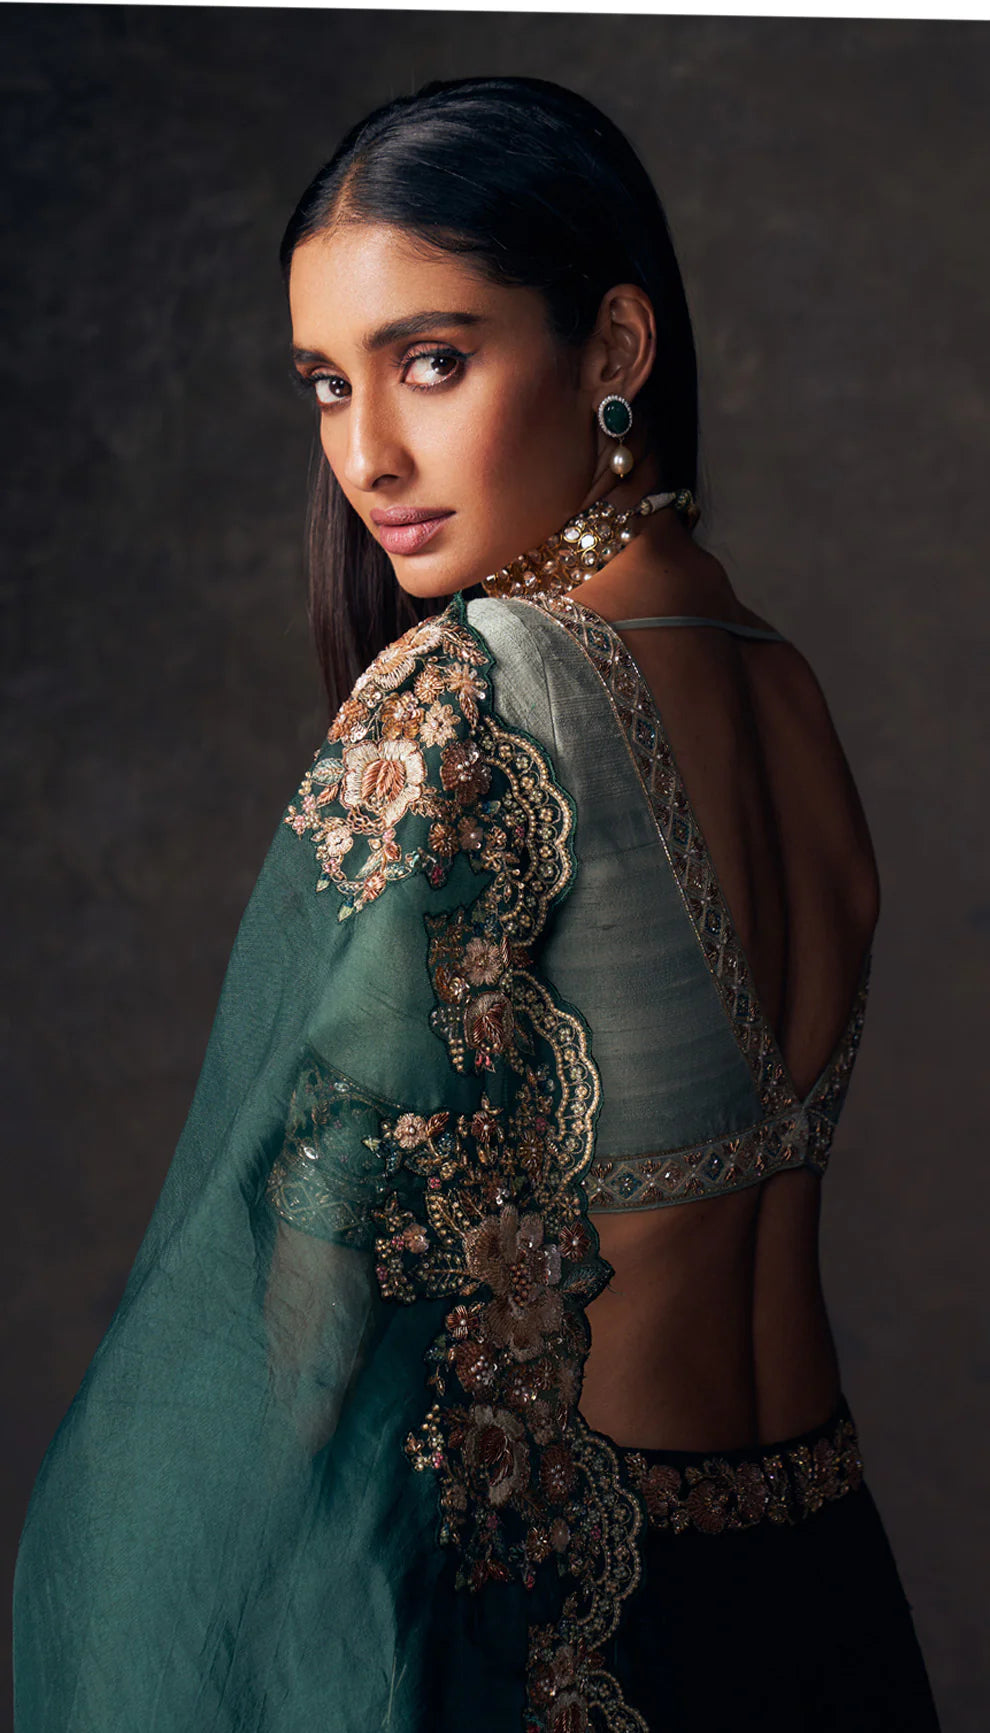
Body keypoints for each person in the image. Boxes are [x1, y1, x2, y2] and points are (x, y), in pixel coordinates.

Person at [13, 74, 941, 1733]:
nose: (367, 453)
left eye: (431, 360)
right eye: (322, 385)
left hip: (591, 1635)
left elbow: (294, 1320)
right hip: (827, 1590)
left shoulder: (468, 689)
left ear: (613, 350)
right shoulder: (784, 687)